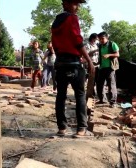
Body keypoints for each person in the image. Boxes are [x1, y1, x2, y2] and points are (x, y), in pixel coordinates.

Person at [51, 0, 95, 137]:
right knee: (80, 95)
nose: (78, 7)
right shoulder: (72, 18)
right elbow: (77, 40)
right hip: (74, 64)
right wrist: (88, 60)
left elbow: (55, 43)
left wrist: (61, 58)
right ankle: (81, 128)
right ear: (65, 4)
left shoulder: (56, 21)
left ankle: (62, 128)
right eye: (75, 4)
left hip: (60, 63)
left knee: (61, 96)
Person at [96, 32, 120, 108]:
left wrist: (109, 55)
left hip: (110, 68)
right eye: (99, 39)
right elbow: (100, 56)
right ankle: (102, 100)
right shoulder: (100, 46)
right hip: (102, 68)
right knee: (99, 84)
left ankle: (113, 102)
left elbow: (117, 54)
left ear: (107, 38)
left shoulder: (112, 44)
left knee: (111, 85)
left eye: (102, 38)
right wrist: (97, 62)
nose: (101, 40)